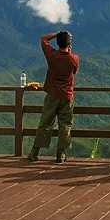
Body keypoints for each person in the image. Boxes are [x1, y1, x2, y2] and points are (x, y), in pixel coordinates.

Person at [27, 31, 79, 163]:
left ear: (57, 42)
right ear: (69, 44)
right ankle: (61, 154)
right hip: (67, 96)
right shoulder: (74, 59)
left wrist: (58, 34)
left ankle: (35, 152)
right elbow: (74, 71)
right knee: (65, 125)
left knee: (45, 123)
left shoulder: (51, 55)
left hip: (52, 95)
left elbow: (43, 38)